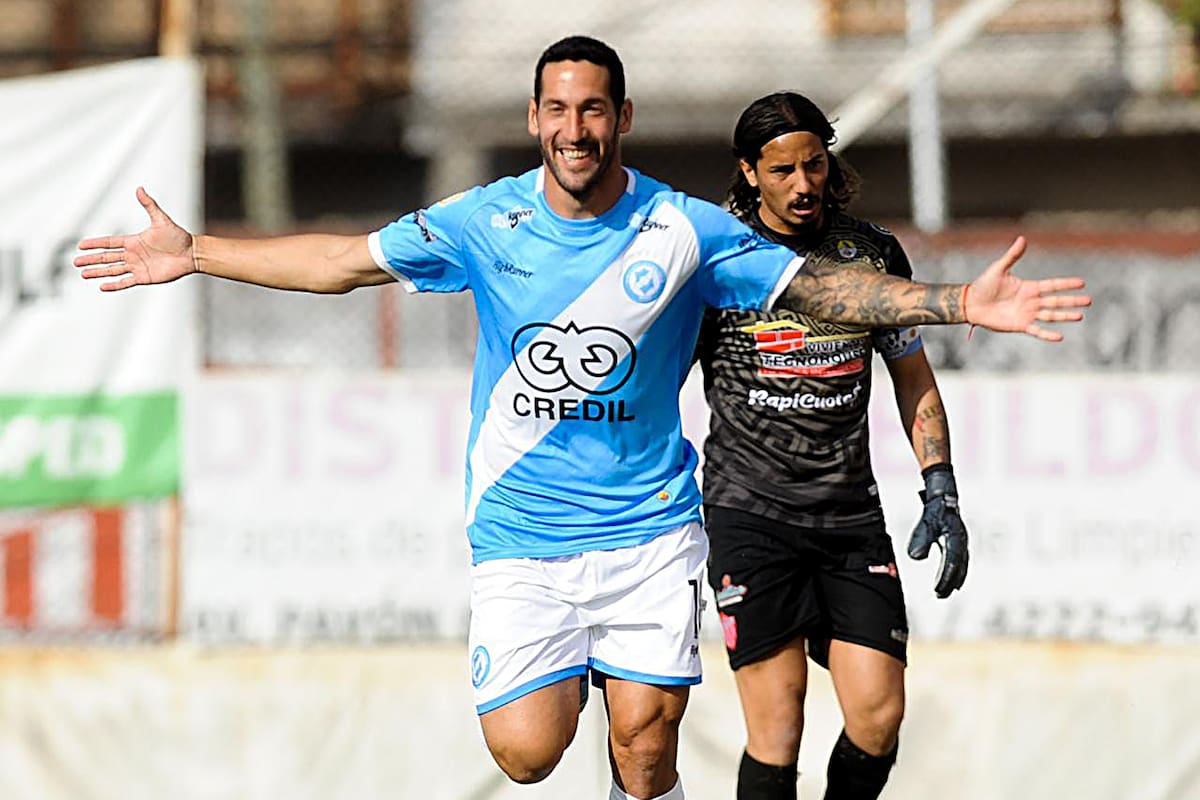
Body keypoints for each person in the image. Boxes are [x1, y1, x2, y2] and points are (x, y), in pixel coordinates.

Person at [74, 36, 1088, 800]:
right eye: (557, 109)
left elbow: (824, 291)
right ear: (533, 119)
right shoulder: (482, 220)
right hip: (524, 536)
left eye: (593, 109)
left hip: (648, 528)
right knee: (525, 752)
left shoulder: (683, 227)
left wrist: (959, 303)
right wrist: (196, 250)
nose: (575, 128)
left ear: (622, 117)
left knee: (647, 742)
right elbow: (340, 262)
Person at [696, 91, 970, 800]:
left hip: (849, 518)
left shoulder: (870, 251)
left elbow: (913, 375)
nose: (803, 184)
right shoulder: (714, 257)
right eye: (782, 169)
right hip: (749, 515)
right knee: (778, 724)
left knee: (879, 718)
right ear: (749, 172)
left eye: (815, 164)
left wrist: (940, 486)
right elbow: (659, 378)